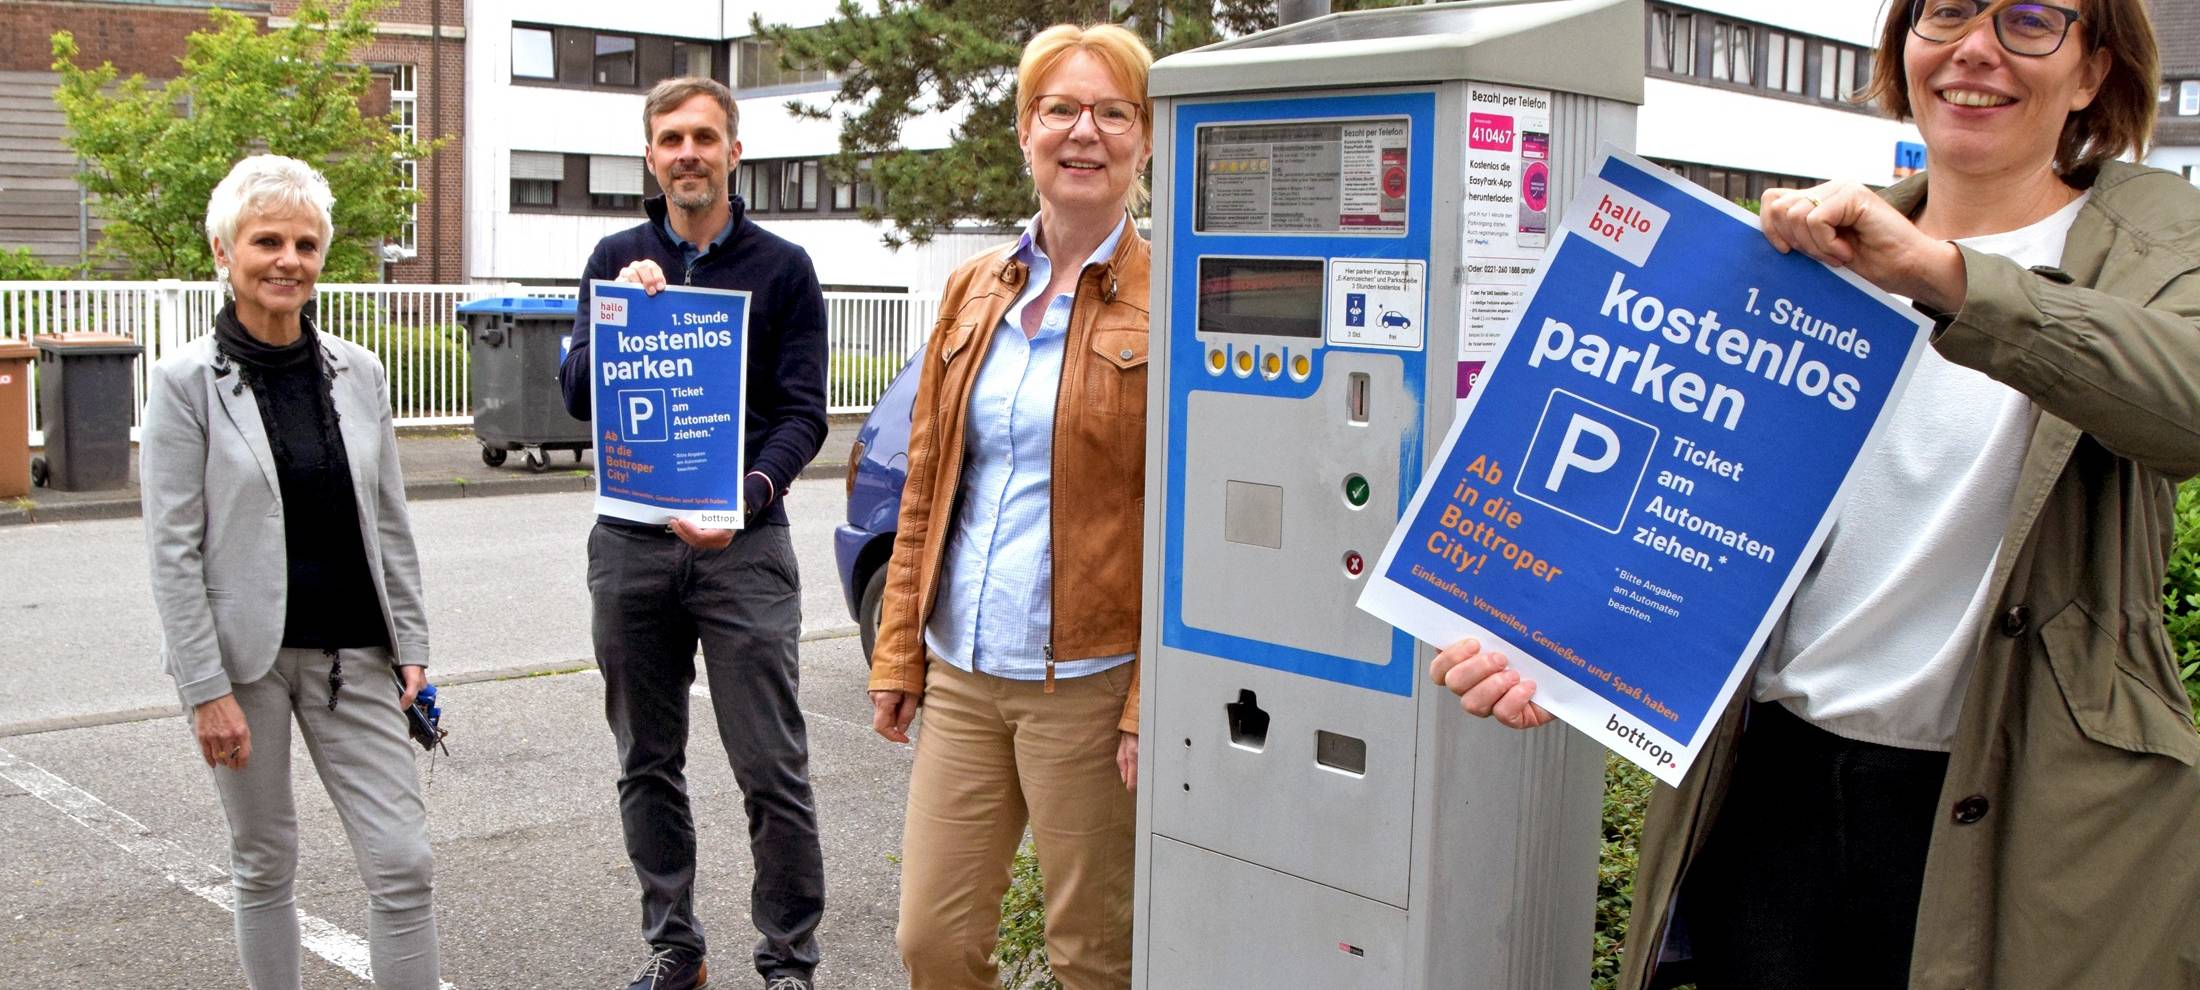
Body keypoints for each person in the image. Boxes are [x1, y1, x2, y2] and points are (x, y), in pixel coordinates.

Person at [1433, 1, 2200, 987]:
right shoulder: (1804, 262)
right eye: (1948, 12)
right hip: (1777, 791)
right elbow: (1687, 509)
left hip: (2025, 804)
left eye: (2028, 19)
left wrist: (1941, 276)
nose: (1975, 48)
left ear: (2092, 73)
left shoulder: (2150, 242)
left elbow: (2180, 409)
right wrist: (1550, 636)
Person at [865, 23, 1154, 990]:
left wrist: (1149, 700)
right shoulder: (972, 289)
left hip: (1089, 682)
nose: (1086, 132)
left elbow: (1183, 520)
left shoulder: (1175, 301)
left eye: (1113, 112)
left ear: (1144, 141)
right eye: (1061, 109)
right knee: (934, 944)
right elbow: (928, 483)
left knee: (1092, 957)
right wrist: (899, 646)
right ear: (1026, 130)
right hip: (962, 674)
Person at [141, 153, 440, 989]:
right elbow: (172, 548)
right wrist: (204, 689)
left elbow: (389, 520)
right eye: (266, 240)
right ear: (222, 252)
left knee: (403, 862)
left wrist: (411, 643)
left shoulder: (359, 372)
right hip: (245, 669)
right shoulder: (184, 382)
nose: (288, 260)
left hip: (358, 657)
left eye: (305, 243)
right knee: (265, 862)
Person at [558, 76, 829, 990]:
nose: (687, 153)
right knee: (646, 761)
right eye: (670, 138)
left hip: (743, 546)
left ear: (732, 153)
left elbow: (803, 415)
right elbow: (574, 395)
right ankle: (676, 946)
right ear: (650, 155)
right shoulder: (614, 255)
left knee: (771, 766)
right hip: (632, 542)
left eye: (704, 138)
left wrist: (746, 498)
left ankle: (788, 960)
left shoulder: (783, 266)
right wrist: (621, 318)